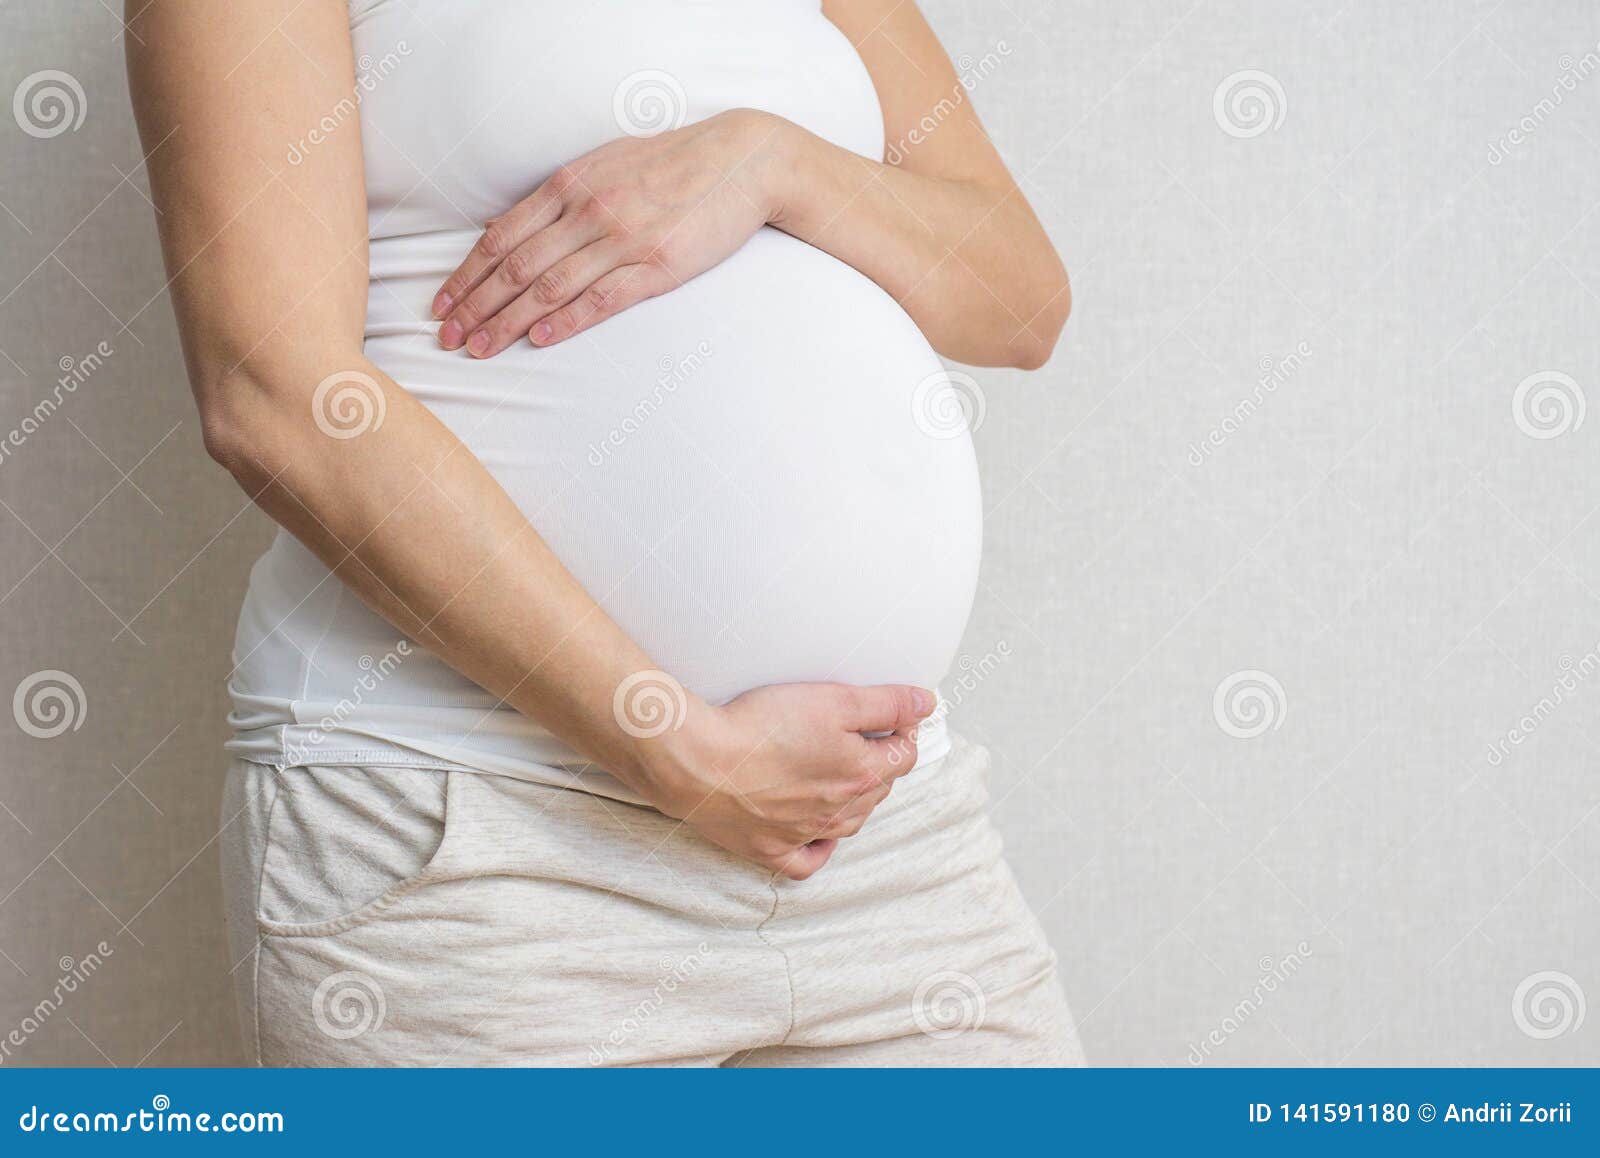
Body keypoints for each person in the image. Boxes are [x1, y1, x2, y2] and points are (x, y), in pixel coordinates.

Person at [126, 0, 1082, 1066]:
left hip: (879, 842)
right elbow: (274, 401)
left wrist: (772, 162)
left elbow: (1019, 302)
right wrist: (682, 754)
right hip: (482, 849)